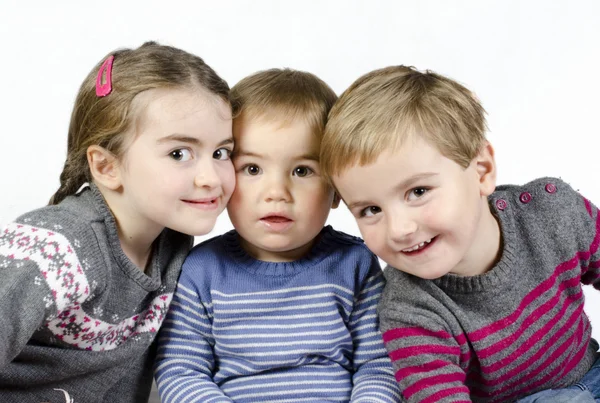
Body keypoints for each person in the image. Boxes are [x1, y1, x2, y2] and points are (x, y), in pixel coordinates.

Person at [319, 65, 600, 402]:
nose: (399, 229)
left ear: (482, 171)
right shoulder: (410, 311)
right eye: (371, 210)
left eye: (418, 192)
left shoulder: (552, 212)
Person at [0, 41, 235, 403]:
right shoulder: (55, 246)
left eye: (221, 152)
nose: (212, 177)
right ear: (107, 167)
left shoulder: (174, 246)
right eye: (179, 153)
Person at [154, 68, 401, 402]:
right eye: (253, 169)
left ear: (338, 187)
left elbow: (379, 366)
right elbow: (181, 370)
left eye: (302, 171)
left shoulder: (354, 264)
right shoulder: (202, 270)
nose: (277, 192)